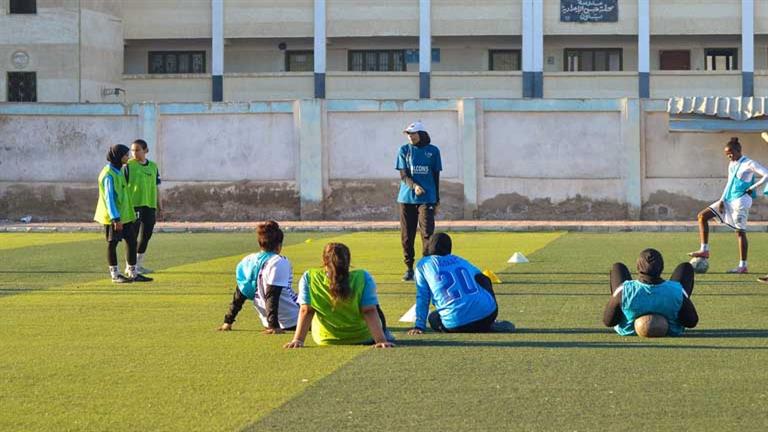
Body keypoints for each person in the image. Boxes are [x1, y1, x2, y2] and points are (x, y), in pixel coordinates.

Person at [284, 242, 394, 348]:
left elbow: (306, 311)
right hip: (363, 337)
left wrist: (297, 340)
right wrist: (381, 340)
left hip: (325, 339)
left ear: (324, 261)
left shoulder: (309, 277)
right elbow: (369, 311)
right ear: (348, 261)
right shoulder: (363, 277)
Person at [407, 233, 515, 334]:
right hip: (488, 316)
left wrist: (419, 326)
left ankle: (474, 321)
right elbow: (483, 278)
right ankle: (487, 320)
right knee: (483, 280)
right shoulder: (459, 260)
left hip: (456, 324)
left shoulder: (423, 264)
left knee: (433, 318)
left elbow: (423, 297)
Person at [688, 137, 768, 273]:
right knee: (702, 216)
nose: (729, 156)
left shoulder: (749, 163)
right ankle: (704, 250)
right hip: (728, 199)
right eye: (727, 154)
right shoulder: (732, 164)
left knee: (740, 232)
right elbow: (729, 182)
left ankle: (743, 266)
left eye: (731, 153)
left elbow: (766, 174)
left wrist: (752, 187)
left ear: (738, 150)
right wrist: (721, 200)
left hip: (741, 201)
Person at [218, 221, 299, 333]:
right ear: (279, 245)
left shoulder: (247, 260)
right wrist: (274, 326)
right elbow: (272, 295)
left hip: (266, 321)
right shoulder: (279, 261)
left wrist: (228, 321)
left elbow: (240, 293)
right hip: (294, 320)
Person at [603, 248, 699, 337]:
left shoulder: (624, 290)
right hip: (671, 330)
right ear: (662, 268)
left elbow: (609, 322)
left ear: (638, 268)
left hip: (629, 330)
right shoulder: (677, 290)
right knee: (685, 267)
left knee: (617, 267)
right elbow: (691, 322)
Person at [93, 144, 152, 283]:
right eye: (126, 155)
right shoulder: (108, 174)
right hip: (113, 217)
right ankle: (115, 275)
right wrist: (115, 218)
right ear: (119, 157)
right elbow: (109, 199)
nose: (129, 157)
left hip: (125, 215)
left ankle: (133, 272)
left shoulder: (119, 170)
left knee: (132, 241)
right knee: (112, 243)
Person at [396, 121, 442, 281]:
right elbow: (403, 175)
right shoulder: (404, 150)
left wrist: (436, 200)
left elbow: (436, 176)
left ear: (421, 134)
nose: (410, 137)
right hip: (406, 199)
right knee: (407, 235)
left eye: (413, 134)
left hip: (427, 199)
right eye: (408, 134)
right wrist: (414, 186)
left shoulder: (433, 151)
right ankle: (409, 268)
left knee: (427, 233)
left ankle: (425, 267)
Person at [125, 139, 161, 274]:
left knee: (146, 236)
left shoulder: (153, 166)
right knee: (132, 238)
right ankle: (130, 266)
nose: (134, 153)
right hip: (134, 205)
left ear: (146, 151)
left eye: (137, 150)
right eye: (132, 150)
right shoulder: (128, 166)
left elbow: (156, 186)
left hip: (150, 205)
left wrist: (159, 204)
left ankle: (138, 264)